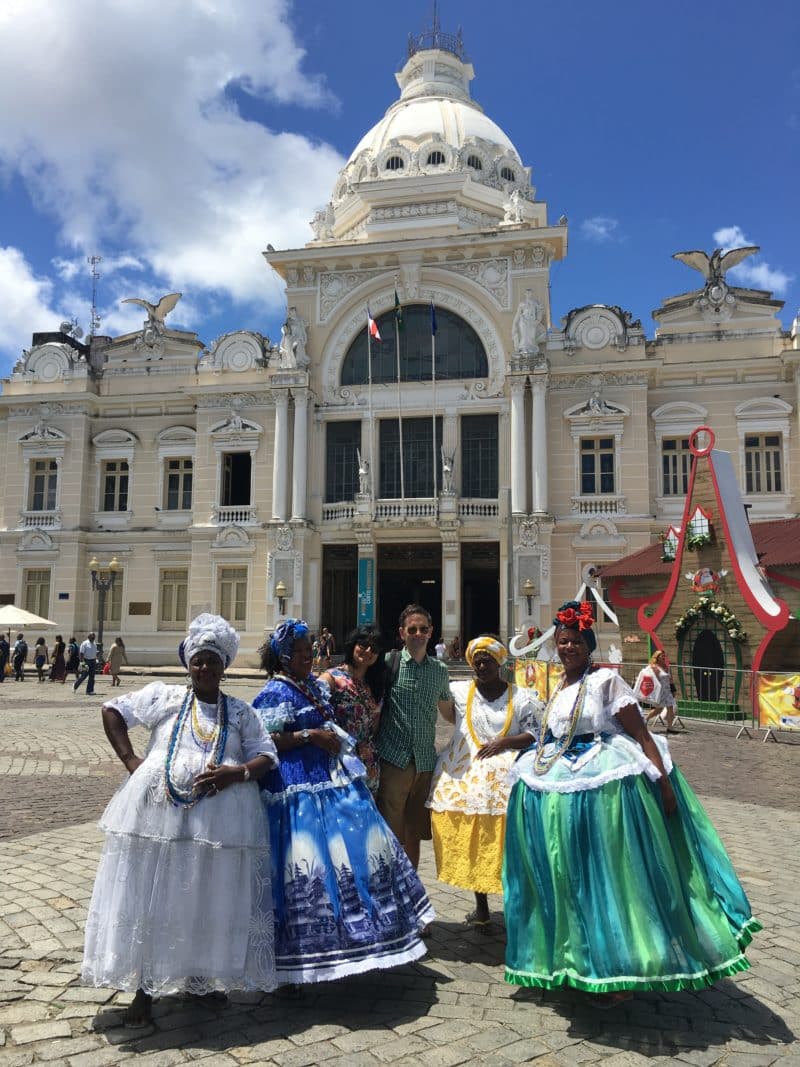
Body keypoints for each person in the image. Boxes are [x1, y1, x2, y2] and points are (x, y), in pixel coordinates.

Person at [503, 600, 761, 1006]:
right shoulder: (559, 688)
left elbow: (641, 735)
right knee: (568, 877)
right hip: (562, 792)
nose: (567, 648)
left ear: (588, 646)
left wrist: (664, 785)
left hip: (605, 793)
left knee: (610, 878)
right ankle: (576, 961)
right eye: (563, 642)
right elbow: (548, 739)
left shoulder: (607, 683)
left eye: (575, 642)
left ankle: (622, 964)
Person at [82, 613, 278, 1027]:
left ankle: (198, 980)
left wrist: (235, 773)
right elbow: (113, 709)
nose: (204, 668)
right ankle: (144, 990)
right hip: (158, 822)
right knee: (154, 897)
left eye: (212, 661)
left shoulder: (240, 712)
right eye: (197, 661)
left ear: (225, 667)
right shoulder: (166, 697)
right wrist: (132, 760)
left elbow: (267, 754)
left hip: (217, 827)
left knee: (205, 898)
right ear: (188, 664)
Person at [252, 618, 433, 985]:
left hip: (334, 778)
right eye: (300, 653)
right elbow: (267, 741)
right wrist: (309, 735)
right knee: (304, 867)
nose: (307, 658)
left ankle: (358, 938)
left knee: (351, 860)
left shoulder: (310, 688)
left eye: (309, 652)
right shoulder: (276, 691)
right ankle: (295, 959)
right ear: (284, 657)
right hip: (295, 787)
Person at [428, 636, 537, 928]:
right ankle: (481, 907)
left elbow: (535, 733)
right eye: (477, 661)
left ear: (499, 663)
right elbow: (443, 710)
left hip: (508, 778)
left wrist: (505, 742)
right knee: (476, 841)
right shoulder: (460, 692)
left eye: (487, 660)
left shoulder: (521, 696)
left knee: (508, 842)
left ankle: (518, 907)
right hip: (469, 775)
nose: (481, 665)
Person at [375, 604, 454, 869]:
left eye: (423, 629)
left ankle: (412, 891)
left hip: (424, 763)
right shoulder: (388, 663)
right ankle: (390, 889)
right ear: (402, 633)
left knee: (414, 834)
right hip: (394, 760)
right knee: (389, 832)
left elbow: (449, 712)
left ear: (431, 632)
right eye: (412, 629)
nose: (418, 634)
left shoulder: (440, 671)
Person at [319, 626, 384, 796]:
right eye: (363, 644)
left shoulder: (375, 685)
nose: (368, 651)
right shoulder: (332, 678)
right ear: (352, 645)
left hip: (369, 763)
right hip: (339, 761)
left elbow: (375, 726)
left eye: (374, 648)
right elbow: (314, 712)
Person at [634, 650, 678, 732]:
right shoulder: (653, 667)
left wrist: (673, 689)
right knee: (659, 710)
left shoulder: (666, 667)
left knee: (670, 707)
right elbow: (647, 676)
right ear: (657, 657)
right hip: (659, 692)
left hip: (667, 691)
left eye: (664, 656)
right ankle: (645, 719)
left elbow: (670, 679)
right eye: (662, 656)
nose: (663, 657)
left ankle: (670, 727)